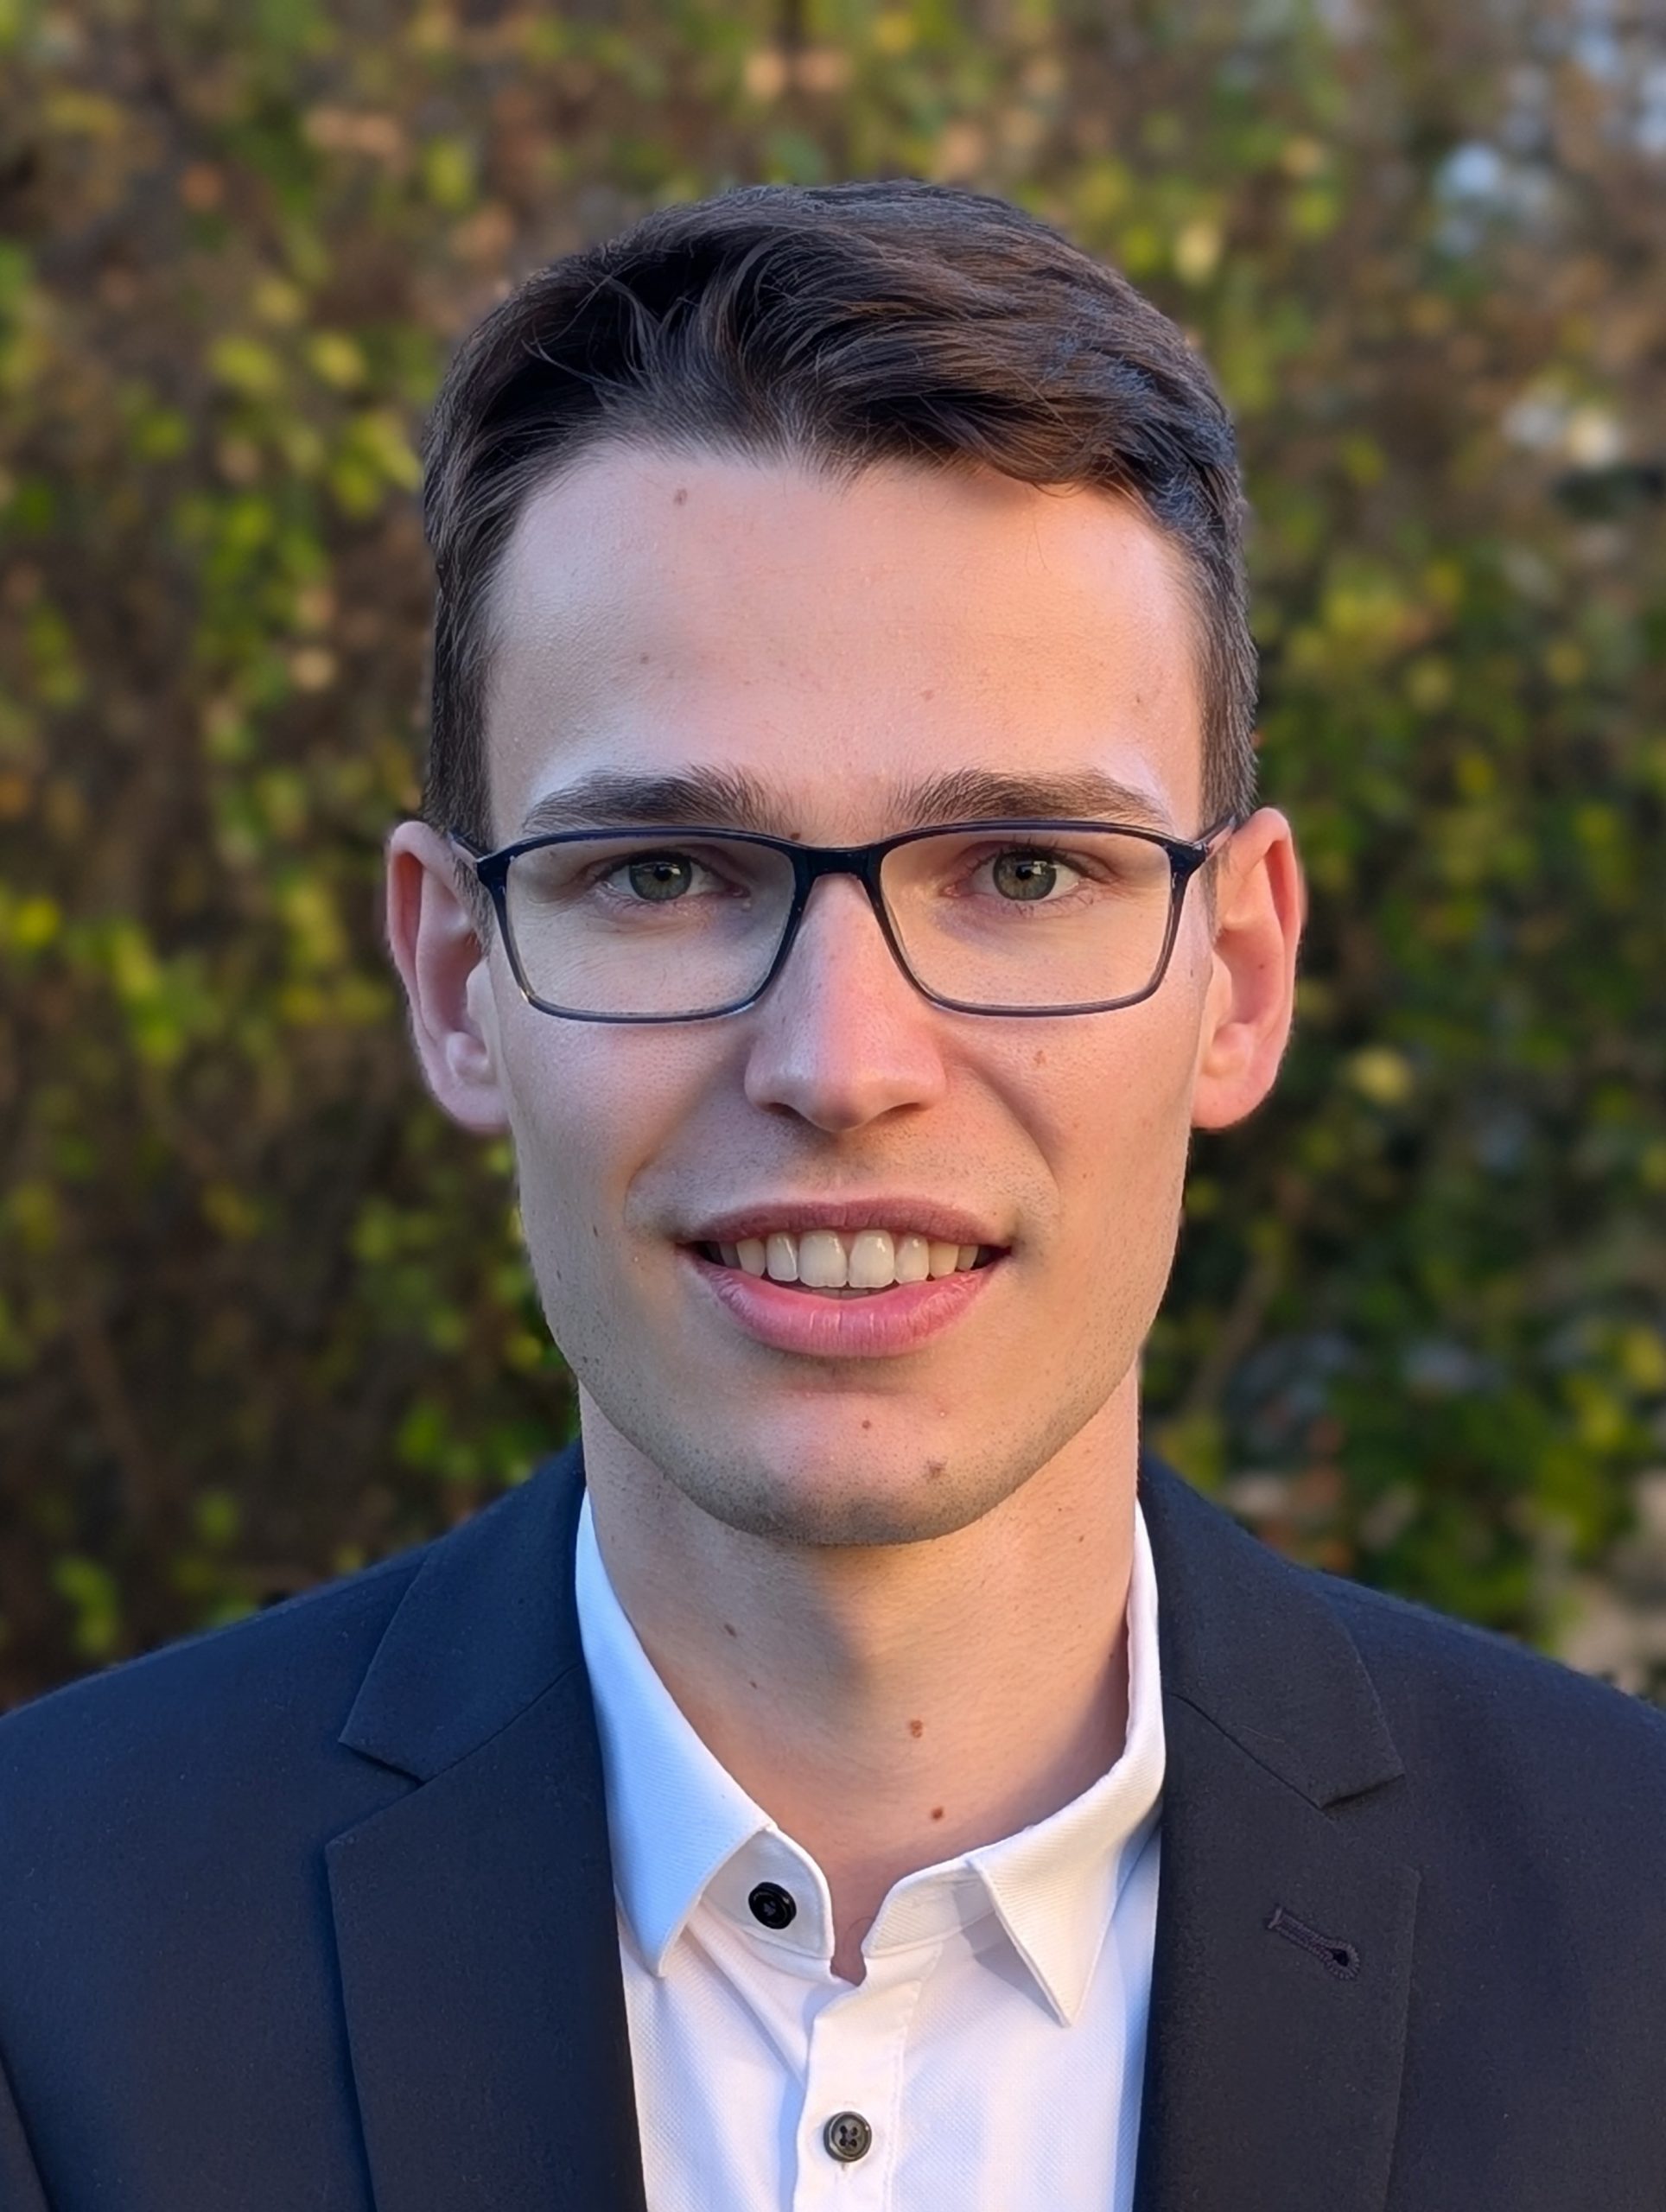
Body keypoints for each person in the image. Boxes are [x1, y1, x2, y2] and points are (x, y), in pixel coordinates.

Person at [1, 178, 1662, 2212]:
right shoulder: (43, 1954)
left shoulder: (1635, 1950)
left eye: (1024, 870)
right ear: (453, 978)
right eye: (663, 873)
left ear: (1237, 976)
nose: (844, 1060)